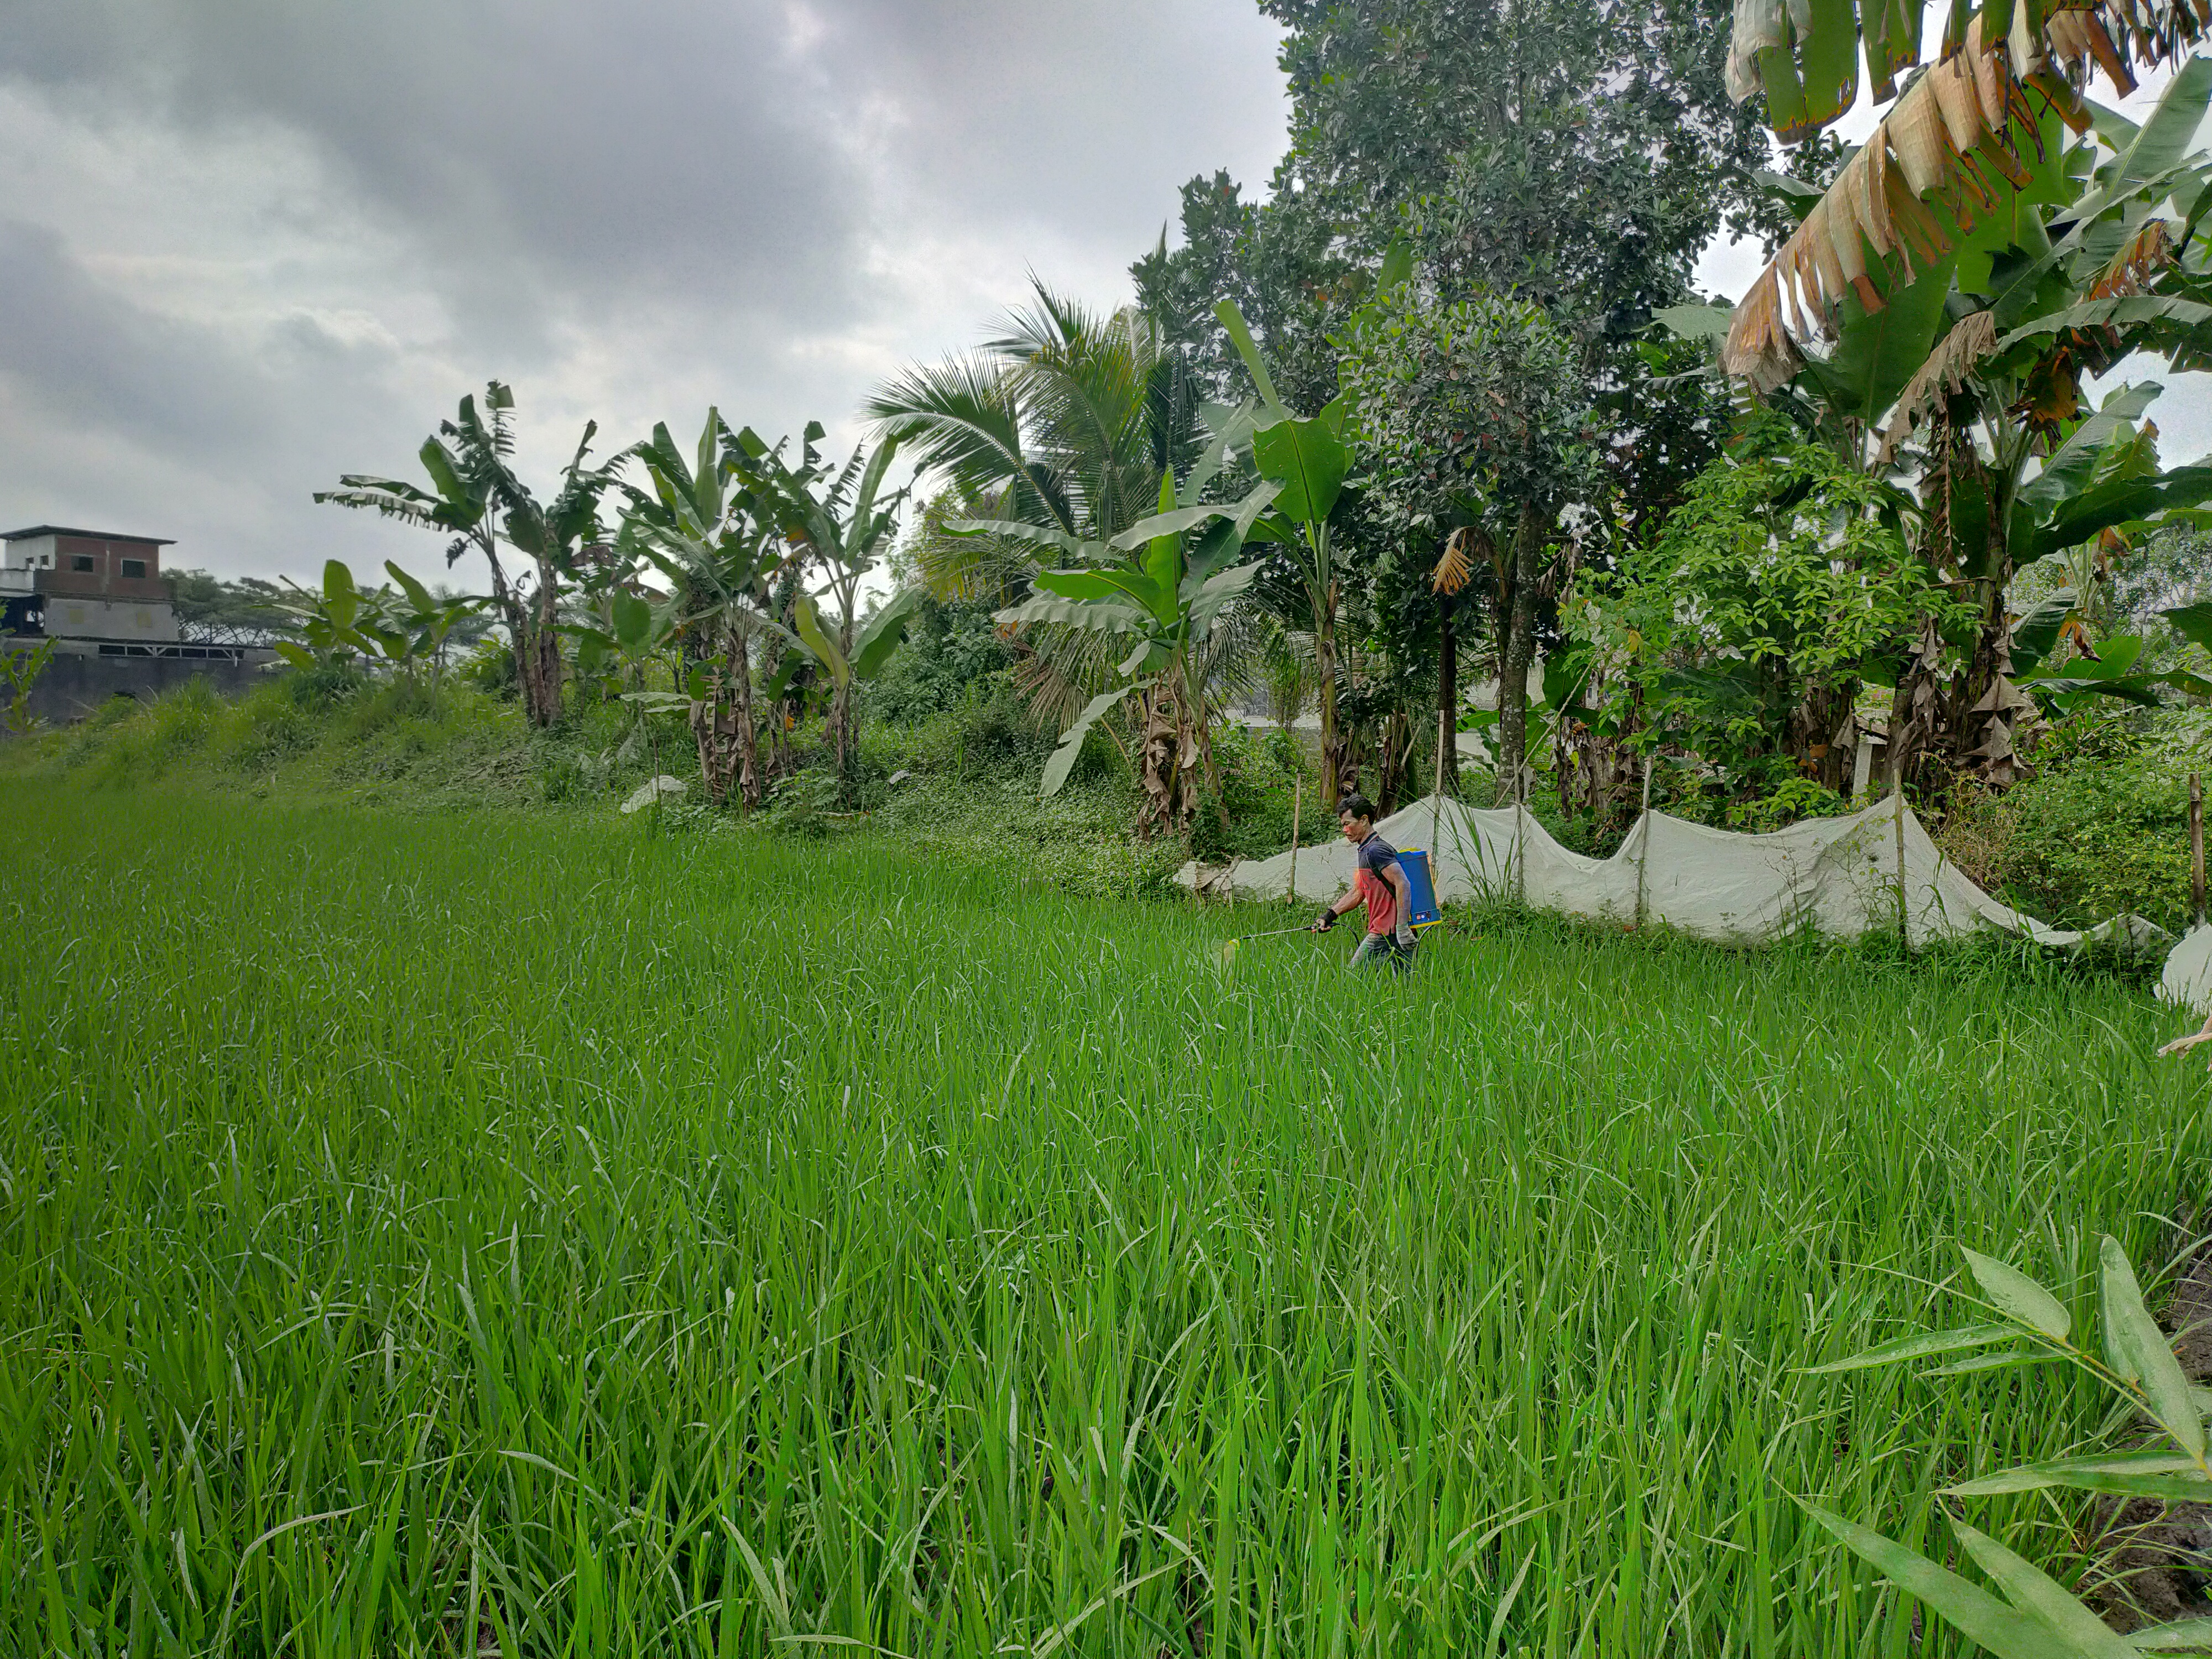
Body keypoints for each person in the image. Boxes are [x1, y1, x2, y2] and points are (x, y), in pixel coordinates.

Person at [1310, 794, 1417, 971]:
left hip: (1388, 931)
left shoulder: (1377, 850)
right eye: (1342, 825)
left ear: (1364, 820)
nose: (1344, 830)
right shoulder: (1366, 850)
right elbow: (1359, 892)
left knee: (1354, 976)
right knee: (1406, 984)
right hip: (1391, 931)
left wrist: (1402, 928)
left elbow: (1403, 883)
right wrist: (1328, 916)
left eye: (1347, 824)